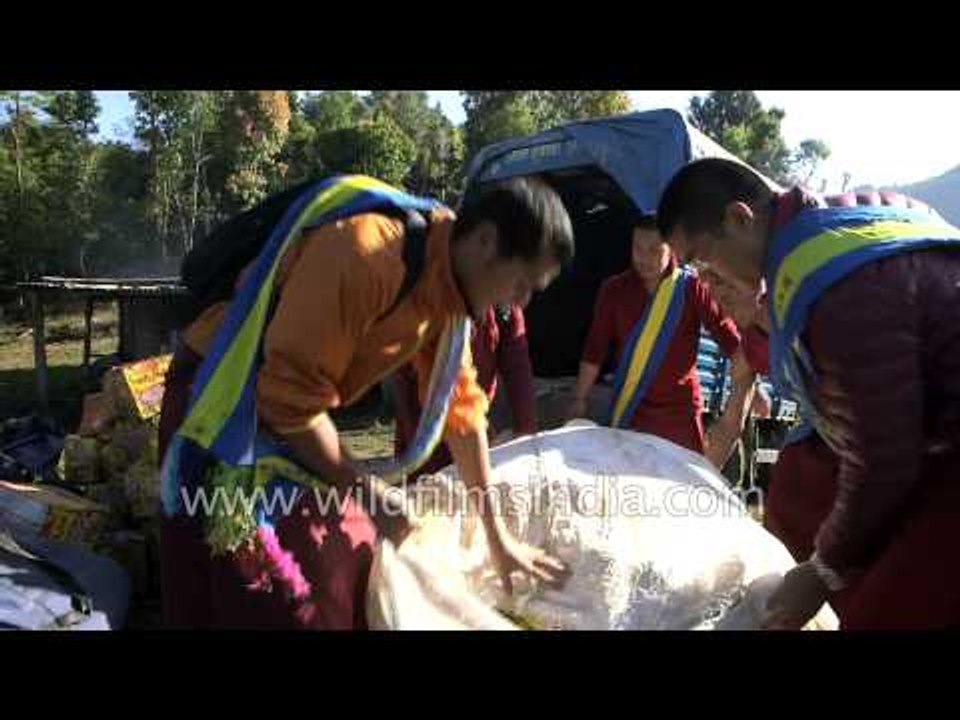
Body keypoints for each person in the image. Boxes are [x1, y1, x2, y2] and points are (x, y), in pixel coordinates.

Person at [157, 174, 574, 629]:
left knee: (341, 574)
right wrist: (368, 492)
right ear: (487, 241)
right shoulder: (366, 254)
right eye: (524, 284)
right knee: (266, 588)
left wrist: (498, 538)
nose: (521, 303)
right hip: (219, 402)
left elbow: (463, 413)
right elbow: (286, 398)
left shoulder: (450, 298)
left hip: (291, 417)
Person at [657, 158, 960, 629]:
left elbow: (884, 457)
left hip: (940, 453)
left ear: (740, 218)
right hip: (927, 427)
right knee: (800, 481)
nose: (704, 279)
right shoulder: (836, 225)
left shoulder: (836, 288)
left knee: (890, 608)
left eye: (700, 258)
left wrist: (823, 570)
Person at [567, 213, 742, 455]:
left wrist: (750, 387)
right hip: (632, 409)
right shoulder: (614, 290)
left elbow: (727, 336)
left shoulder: (691, 288)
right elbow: (595, 349)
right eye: (637, 248)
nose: (643, 258)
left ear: (672, 249)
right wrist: (580, 398)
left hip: (680, 415)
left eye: (653, 250)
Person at [390, 302, 538, 475]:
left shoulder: (505, 306)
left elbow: (517, 367)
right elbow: (411, 391)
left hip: (474, 416)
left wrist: (526, 434)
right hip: (424, 418)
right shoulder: (434, 306)